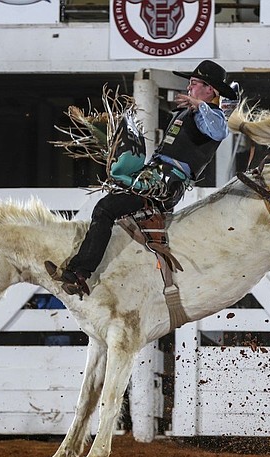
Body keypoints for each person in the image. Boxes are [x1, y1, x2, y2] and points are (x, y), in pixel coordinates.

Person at [48, 60, 238, 296]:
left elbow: (220, 130)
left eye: (194, 84)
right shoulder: (184, 114)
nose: (189, 88)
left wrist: (201, 106)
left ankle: (79, 272)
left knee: (106, 208)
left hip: (166, 184)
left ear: (209, 90)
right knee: (109, 202)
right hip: (155, 177)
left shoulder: (211, 117)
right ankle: (81, 268)